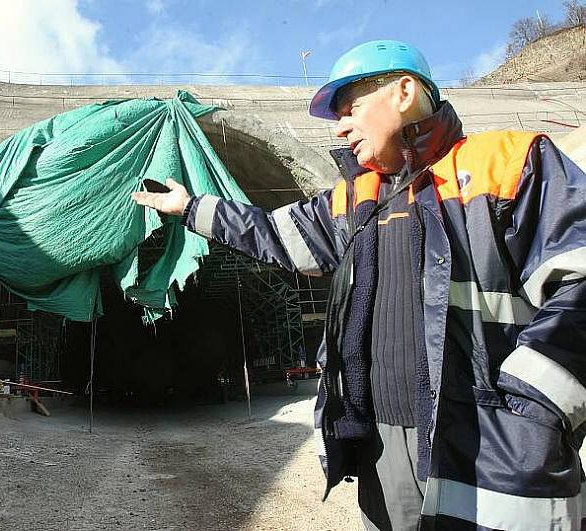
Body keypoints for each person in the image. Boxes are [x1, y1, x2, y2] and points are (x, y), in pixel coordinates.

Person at [132, 39, 586, 530]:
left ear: (404, 92)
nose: (341, 125)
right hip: (382, 448)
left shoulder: (510, 165)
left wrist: (534, 408)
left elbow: (579, 284)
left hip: (491, 443)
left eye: (351, 108)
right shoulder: (356, 199)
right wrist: (191, 208)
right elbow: (276, 235)